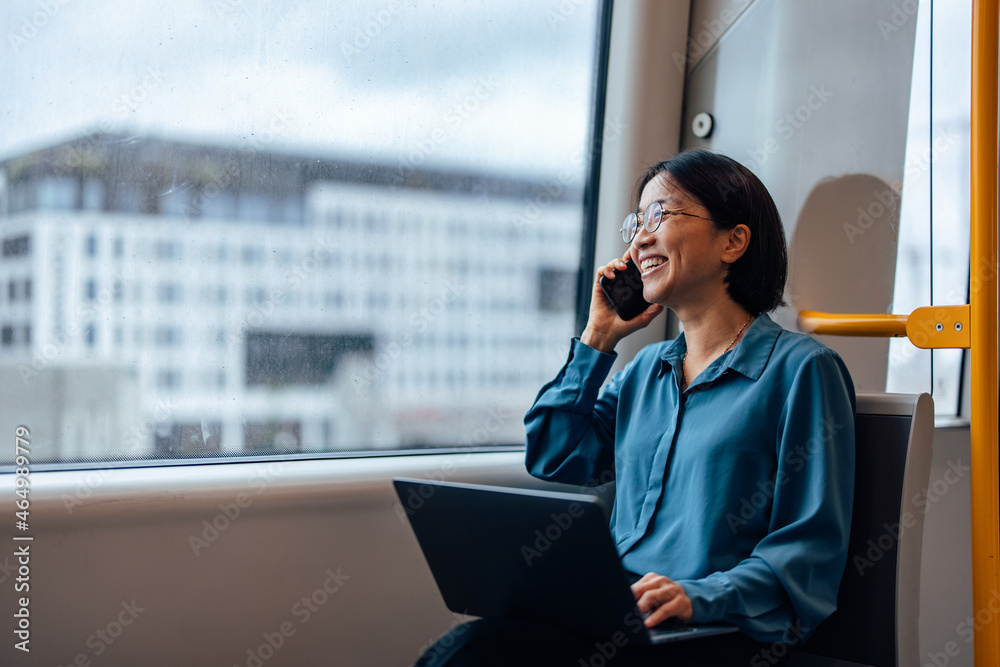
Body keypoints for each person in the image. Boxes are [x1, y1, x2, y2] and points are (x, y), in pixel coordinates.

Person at [414, 149, 856, 666]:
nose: (640, 238)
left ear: (733, 241)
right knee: (471, 648)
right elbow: (556, 455)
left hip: (715, 631)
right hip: (621, 617)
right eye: (637, 223)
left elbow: (808, 553)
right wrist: (599, 335)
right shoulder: (646, 370)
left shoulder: (802, 370)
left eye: (660, 216)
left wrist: (699, 597)